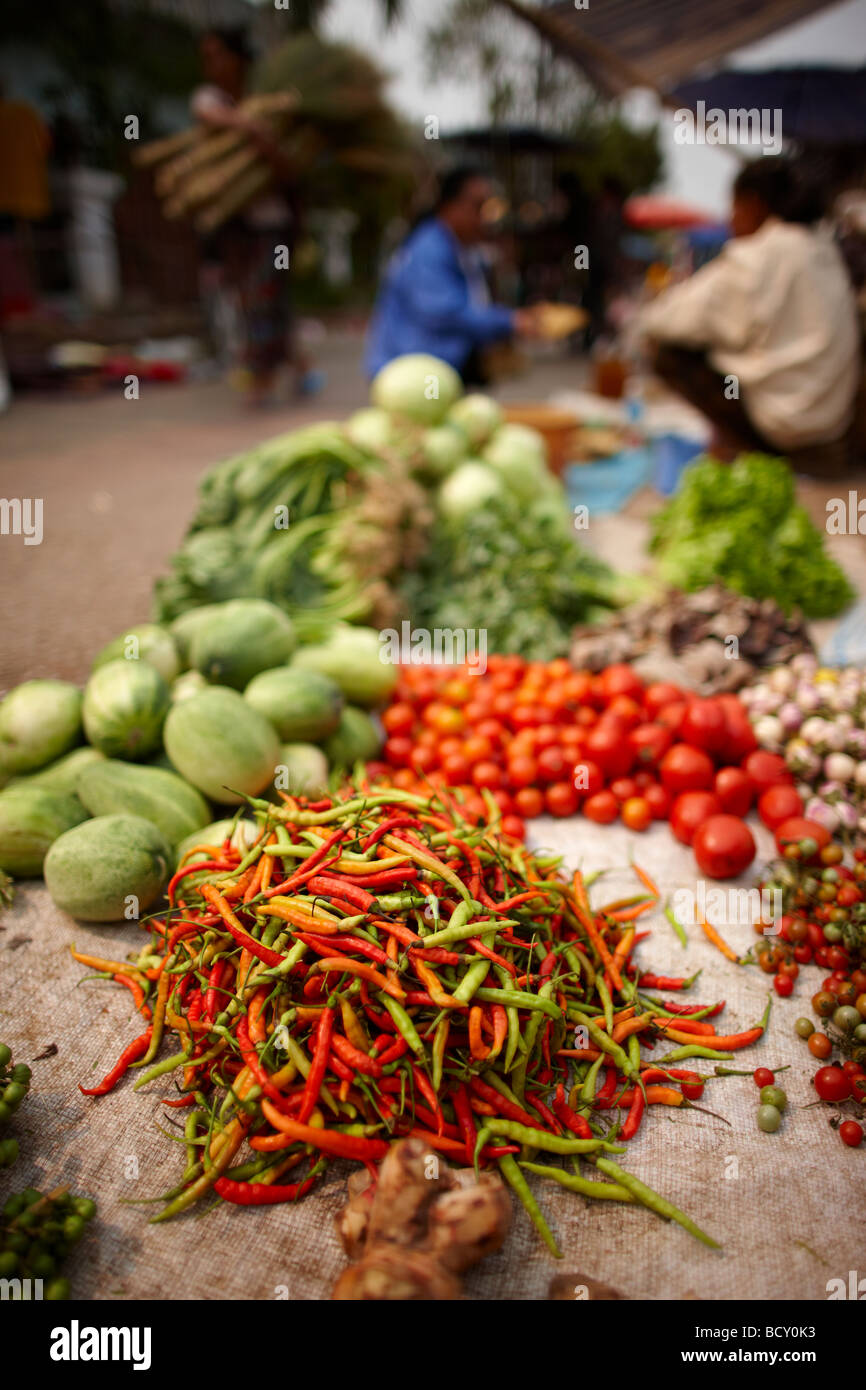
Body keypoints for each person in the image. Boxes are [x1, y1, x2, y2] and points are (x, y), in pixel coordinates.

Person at [639, 158, 861, 474]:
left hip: (782, 429)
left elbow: (662, 320)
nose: (731, 220)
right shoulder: (825, 249)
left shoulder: (761, 253)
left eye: (734, 207)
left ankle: (746, 451)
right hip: (832, 429)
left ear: (754, 204)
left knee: (664, 350)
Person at [192, 28, 320, 404]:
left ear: (239, 59)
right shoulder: (214, 101)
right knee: (253, 298)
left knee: (267, 296)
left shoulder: (270, 103)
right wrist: (250, 126)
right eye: (207, 56)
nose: (211, 64)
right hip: (234, 225)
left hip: (273, 226)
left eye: (218, 54)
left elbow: (290, 171)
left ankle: (267, 377)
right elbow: (207, 114)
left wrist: (268, 147)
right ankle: (296, 368)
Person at [365, 166, 537, 382]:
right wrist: (510, 322)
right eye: (478, 207)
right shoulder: (429, 250)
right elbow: (443, 313)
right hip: (413, 378)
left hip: (433, 375)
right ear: (450, 205)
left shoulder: (457, 247)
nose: (485, 217)